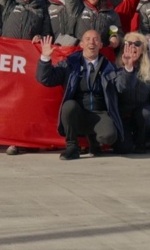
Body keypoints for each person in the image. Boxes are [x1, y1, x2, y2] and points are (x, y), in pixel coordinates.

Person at [37, 31, 127, 160]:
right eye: (88, 39)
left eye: (96, 39)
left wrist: (128, 69)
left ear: (101, 45)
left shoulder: (109, 67)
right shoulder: (69, 63)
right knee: (68, 106)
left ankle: (94, 141)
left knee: (109, 137)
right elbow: (46, 79)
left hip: (99, 114)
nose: (92, 42)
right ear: (81, 44)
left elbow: (122, 87)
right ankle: (72, 147)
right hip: (77, 113)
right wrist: (45, 59)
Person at [113, 32, 150, 154]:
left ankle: (141, 141)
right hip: (123, 114)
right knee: (123, 149)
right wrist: (128, 68)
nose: (132, 47)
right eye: (128, 43)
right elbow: (122, 88)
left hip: (141, 113)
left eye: (137, 44)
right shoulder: (116, 67)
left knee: (147, 113)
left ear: (143, 49)